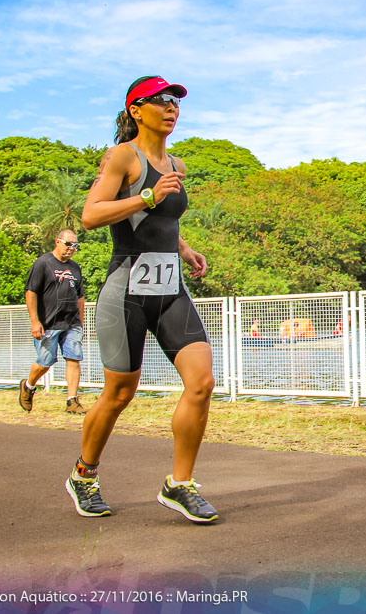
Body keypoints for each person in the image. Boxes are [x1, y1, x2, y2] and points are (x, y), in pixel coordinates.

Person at [65, 76, 218, 523]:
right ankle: (84, 475)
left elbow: (163, 220)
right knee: (119, 393)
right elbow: (91, 215)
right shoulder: (122, 157)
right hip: (126, 290)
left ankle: (179, 485)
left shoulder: (177, 163)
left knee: (202, 383)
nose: (172, 108)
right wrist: (148, 195)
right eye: (161, 101)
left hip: (170, 289)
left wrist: (184, 248)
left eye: (176, 102)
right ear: (136, 109)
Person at [20, 229, 88, 415]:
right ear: (57, 242)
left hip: (71, 323)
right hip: (48, 323)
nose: (72, 248)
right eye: (68, 244)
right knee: (45, 362)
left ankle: (72, 401)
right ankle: (28, 386)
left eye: (75, 245)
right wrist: (35, 321)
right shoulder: (43, 263)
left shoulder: (75, 268)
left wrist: (80, 323)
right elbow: (31, 292)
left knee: (73, 358)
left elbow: (79, 297)